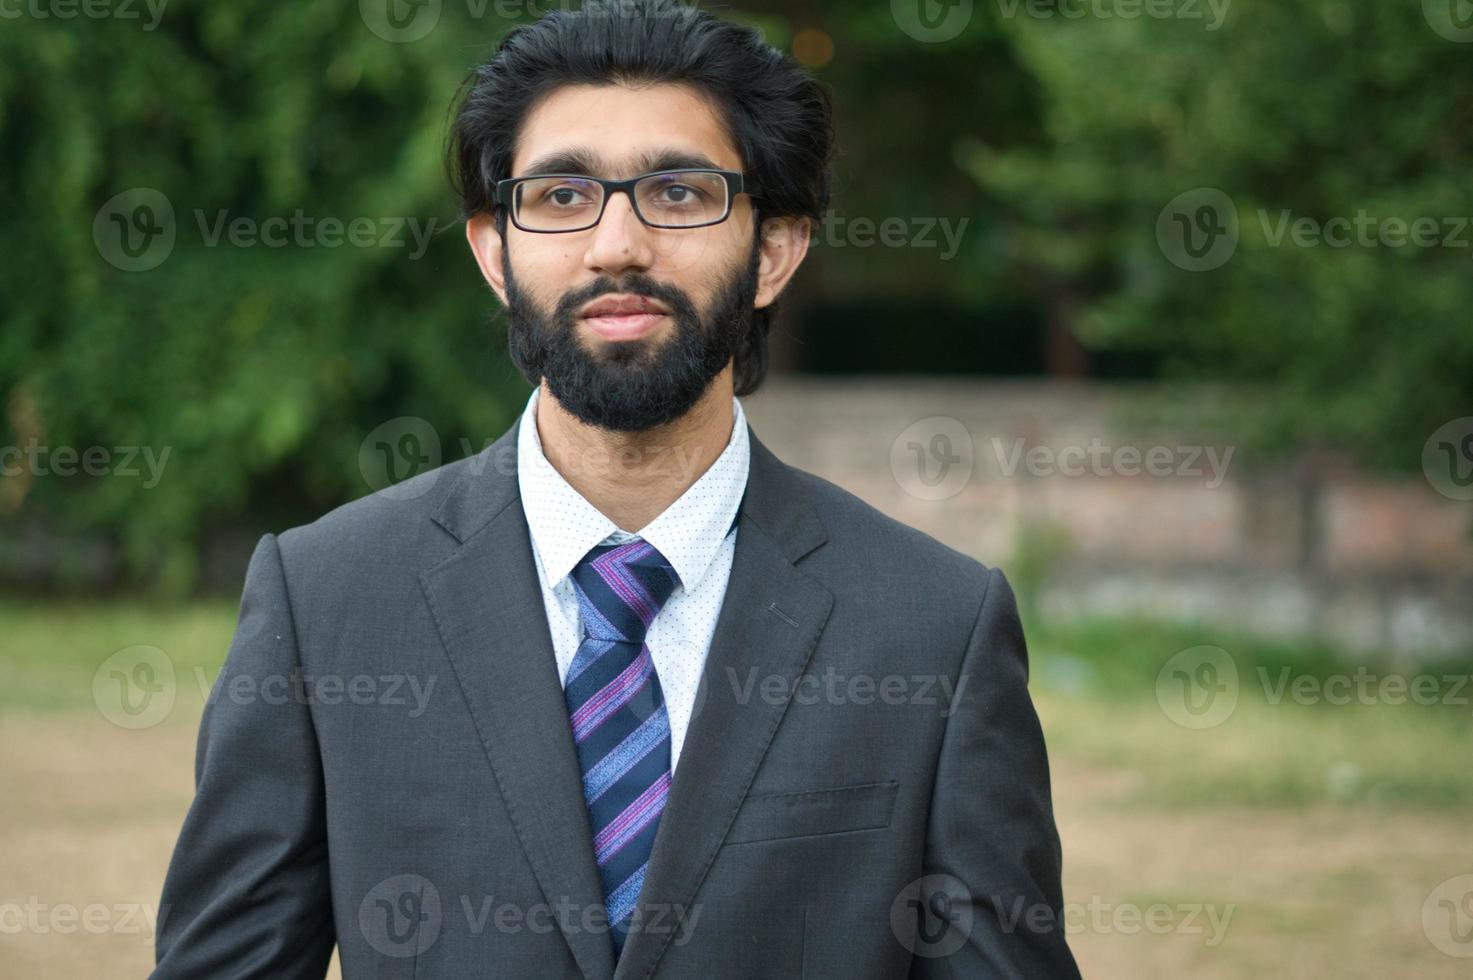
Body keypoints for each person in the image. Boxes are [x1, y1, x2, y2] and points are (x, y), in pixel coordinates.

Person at [152, 1, 1079, 976]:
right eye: (561, 196)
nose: (617, 245)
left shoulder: (935, 624)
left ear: (774, 250)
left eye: (680, 193)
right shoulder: (327, 598)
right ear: (492, 251)